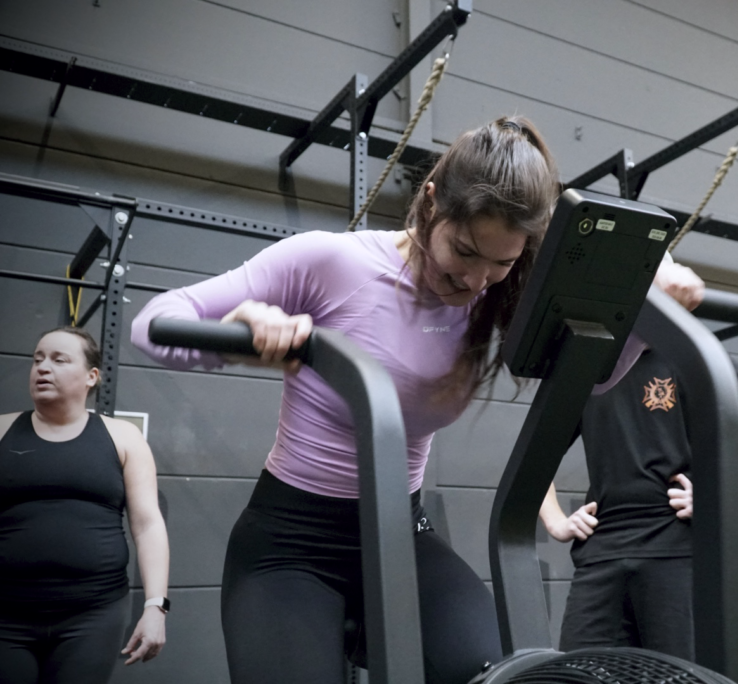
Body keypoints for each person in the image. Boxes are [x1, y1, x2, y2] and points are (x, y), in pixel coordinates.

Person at [130, 116, 699, 684]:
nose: (478, 281)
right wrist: (240, 329)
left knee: (495, 676)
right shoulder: (333, 262)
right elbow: (154, 324)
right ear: (431, 203)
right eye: (466, 251)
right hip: (290, 544)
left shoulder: (502, 293)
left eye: (501, 263)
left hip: (403, 535)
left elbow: (591, 380)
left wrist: (651, 315)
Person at [539, 274, 738, 660]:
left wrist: (725, 504)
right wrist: (555, 522)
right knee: (579, 673)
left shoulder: (693, 360)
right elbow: (536, 455)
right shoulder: (589, 371)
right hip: (599, 558)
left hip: (675, 554)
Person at [0, 327, 169, 684]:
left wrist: (156, 605)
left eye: (59, 360)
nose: (43, 368)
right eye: (38, 359)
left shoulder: (123, 436)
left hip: (93, 614)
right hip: (7, 613)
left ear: (92, 376)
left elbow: (148, 523)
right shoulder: (1, 431)